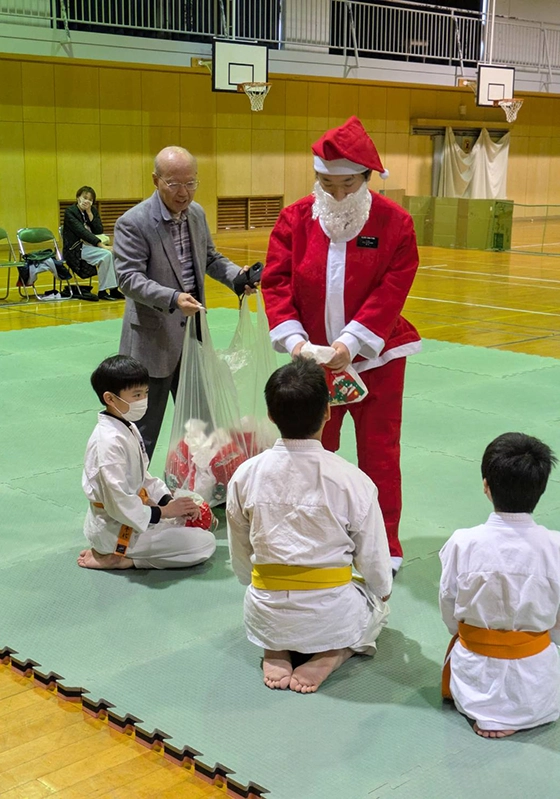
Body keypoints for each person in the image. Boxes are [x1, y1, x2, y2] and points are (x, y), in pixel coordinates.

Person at [261, 116, 421, 574]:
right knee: (311, 453)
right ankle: (316, 535)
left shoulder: (395, 223)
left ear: (367, 178)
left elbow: (392, 288)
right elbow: (275, 283)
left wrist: (352, 343)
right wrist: (295, 342)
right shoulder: (295, 218)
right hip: (311, 362)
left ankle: (384, 544)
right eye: (325, 183)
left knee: (380, 453)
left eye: (347, 183)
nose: (335, 194)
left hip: (377, 360)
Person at [227, 358, 392, 693]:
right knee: (379, 605)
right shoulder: (352, 479)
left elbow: (241, 555)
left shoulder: (246, 473)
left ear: (271, 416)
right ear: (328, 413)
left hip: (266, 609)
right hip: (330, 614)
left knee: (269, 597)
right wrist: (381, 589)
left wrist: (255, 582)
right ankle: (333, 652)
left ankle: (276, 646)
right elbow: (374, 560)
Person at [114, 146, 253, 460]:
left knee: (202, 424)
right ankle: (133, 498)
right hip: (153, 340)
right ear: (156, 180)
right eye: (174, 184)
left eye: (191, 183)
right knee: (144, 431)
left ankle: (204, 487)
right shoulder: (133, 223)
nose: (183, 192)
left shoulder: (197, 214)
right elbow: (128, 279)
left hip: (195, 336)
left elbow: (210, 259)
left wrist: (237, 277)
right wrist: (173, 298)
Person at [439, 432, 560, 738]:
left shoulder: (462, 542)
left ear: (486, 486)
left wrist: (463, 634)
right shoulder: (555, 547)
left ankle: (489, 710)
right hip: (537, 685)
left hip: (473, 677)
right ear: (542, 489)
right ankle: (519, 711)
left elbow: (448, 605)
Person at [78, 354, 217, 570]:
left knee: (195, 521)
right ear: (110, 398)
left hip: (134, 516)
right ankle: (121, 559)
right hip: (117, 529)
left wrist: (166, 501)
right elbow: (118, 502)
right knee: (203, 544)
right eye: (136, 394)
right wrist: (165, 513)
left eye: (145, 393)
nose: (143, 400)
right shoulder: (107, 443)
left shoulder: (127, 426)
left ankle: (123, 553)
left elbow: (143, 477)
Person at [63, 186, 125, 301]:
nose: (87, 201)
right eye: (84, 198)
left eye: (90, 200)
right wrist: (102, 246)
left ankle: (114, 289)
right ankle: (102, 291)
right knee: (106, 255)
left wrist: (89, 212)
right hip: (76, 249)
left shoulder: (92, 211)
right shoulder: (70, 212)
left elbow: (98, 230)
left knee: (114, 255)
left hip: (90, 246)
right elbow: (82, 232)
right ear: (78, 198)